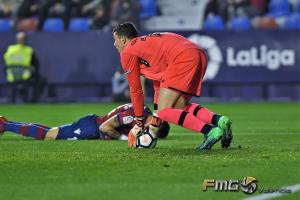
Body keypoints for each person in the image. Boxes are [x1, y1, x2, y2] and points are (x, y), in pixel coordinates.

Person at [112, 22, 233, 150]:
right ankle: (220, 121)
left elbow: (135, 90)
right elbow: (159, 88)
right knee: (180, 106)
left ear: (122, 39)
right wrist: (154, 122)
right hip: (198, 54)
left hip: (182, 58)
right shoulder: (147, 47)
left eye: (115, 40)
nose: (114, 44)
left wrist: (139, 122)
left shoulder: (128, 52)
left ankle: (210, 131)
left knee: (165, 112)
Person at [0, 103, 170, 141]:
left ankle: (6, 124)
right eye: (152, 130)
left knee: (52, 131)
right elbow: (105, 127)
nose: (148, 132)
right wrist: (124, 138)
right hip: (92, 128)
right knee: (49, 136)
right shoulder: (134, 116)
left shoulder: (143, 112)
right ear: (155, 123)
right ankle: (5, 125)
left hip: (92, 123)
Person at [3, 32, 46, 103]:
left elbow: (6, 60)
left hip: (11, 76)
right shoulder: (28, 50)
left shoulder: (10, 49)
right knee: (41, 80)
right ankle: (32, 101)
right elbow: (35, 63)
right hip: (25, 76)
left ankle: (24, 95)